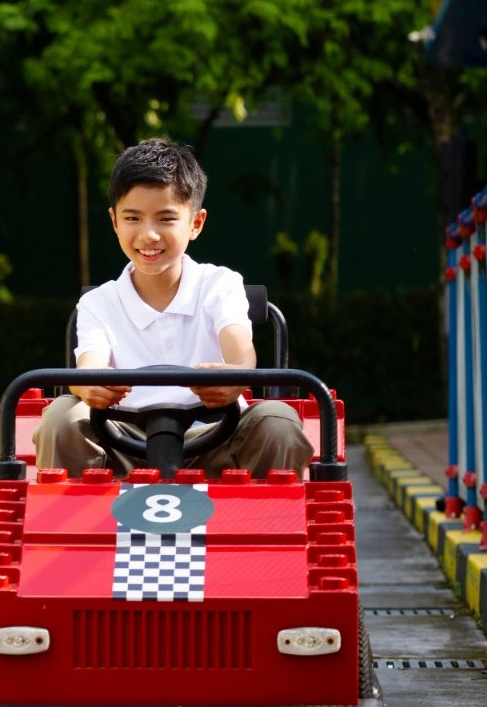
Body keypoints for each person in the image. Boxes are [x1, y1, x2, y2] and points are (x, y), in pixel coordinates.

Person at [33, 137, 313, 477]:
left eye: (166, 219)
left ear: (195, 223)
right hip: (123, 444)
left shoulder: (219, 284)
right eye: (133, 218)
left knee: (278, 421)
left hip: (217, 439)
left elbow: (241, 354)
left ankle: (265, 525)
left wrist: (236, 378)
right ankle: (72, 527)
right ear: (115, 222)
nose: (148, 235)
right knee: (61, 416)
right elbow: (88, 369)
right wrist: (86, 386)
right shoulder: (98, 303)